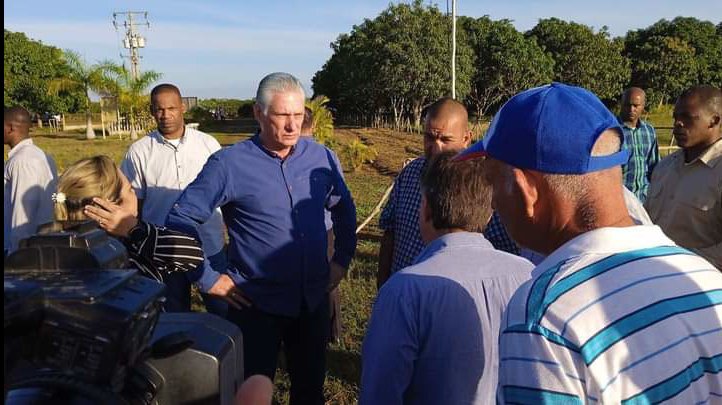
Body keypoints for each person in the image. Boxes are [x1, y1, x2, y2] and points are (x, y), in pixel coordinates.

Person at [457, 82, 722, 403]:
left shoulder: (544, 317)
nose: (493, 200)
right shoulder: (705, 279)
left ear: (524, 189)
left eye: (491, 180)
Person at [166, 72, 357, 405]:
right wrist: (207, 278)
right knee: (252, 393)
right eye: (282, 116)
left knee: (310, 390)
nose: (292, 126)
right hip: (256, 306)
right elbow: (180, 219)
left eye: (298, 116)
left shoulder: (322, 158)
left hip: (311, 302)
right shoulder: (228, 164)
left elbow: (344, 210)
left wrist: (341, 259)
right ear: (258, 113)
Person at [361, 152, 532, 405]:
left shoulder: (404, 290)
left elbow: (379, 392)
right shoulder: (527, 276)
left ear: (426, 209)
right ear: (488, 214)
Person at [377, 97, 518, 288]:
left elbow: (506, 251)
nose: (435, 148)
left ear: (466, 139)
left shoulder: (485, 184)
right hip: (403, 292)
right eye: (429, 137)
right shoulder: (409, 174)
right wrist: (383, 285)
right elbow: (390, 233)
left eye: (445, 139)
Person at [121, 83, 228, 315]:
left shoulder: (208, 144)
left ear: (183, 108)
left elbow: (225, 194)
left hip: (209, 245)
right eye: (159, 109)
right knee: (173, 318)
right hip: (164, 250)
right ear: (151, 111)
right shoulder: (139, 151)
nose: (166, 115)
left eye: (171, 108)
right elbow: (133, 202)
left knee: (224, 312)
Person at [51, 156, 204, 290]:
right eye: (130, 190)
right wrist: (134, 228)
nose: (135, 194)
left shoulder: (56, 249)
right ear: (111, 207)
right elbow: (194, 255)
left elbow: (193, 255)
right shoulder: (129, 253)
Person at [645, 85, 722, 269]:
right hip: (649, 276)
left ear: (714, 120)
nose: (678, 124)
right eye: (676, 117)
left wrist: (680, 262)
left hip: (700, 287)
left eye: (687, 117)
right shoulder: (665, 166)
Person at [301, 106, 343, 343]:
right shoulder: (327, 154)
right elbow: (339, 199)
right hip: (324, 229)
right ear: (314, 126)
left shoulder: (322, 155)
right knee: (328, 279)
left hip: (307, 230)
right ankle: (331, 330)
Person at [4, 106, 58, 254]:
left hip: (22, 252)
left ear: (10, 128)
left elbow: (22, 218)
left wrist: (15, 260)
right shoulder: (41, 155)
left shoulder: (22, 161)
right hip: (38, 247)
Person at [618, 87, 660, 202]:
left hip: (643, 199)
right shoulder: (611, 131)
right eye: (627, 105)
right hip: (619, 200)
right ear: (622, 104)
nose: (631, 109)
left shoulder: (649, 131)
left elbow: (654, 166)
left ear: (643, 106)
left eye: (636, 106)